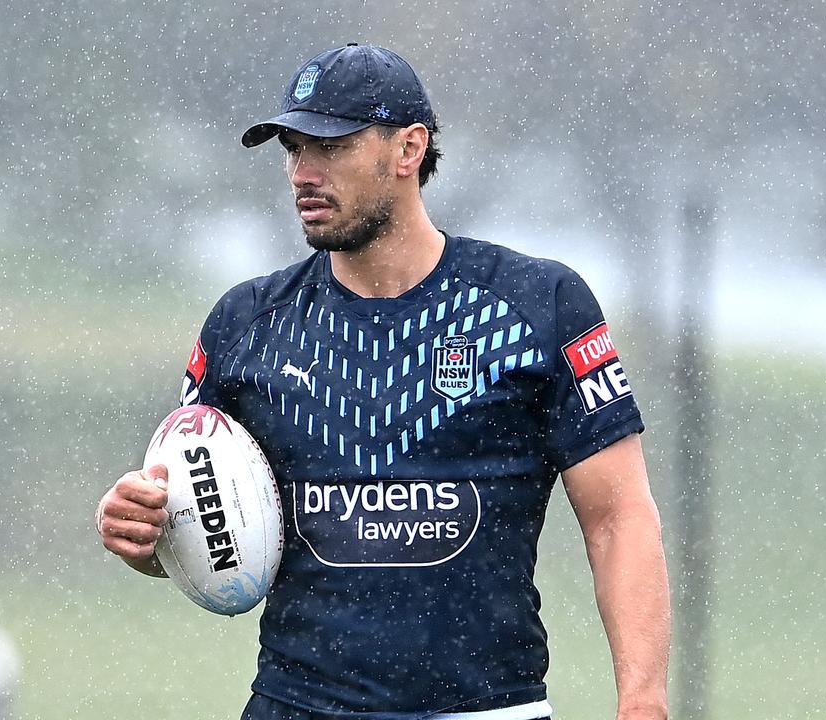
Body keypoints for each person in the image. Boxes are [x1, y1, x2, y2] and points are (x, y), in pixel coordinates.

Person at [96, 44, 670, 720]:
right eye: (292, 149)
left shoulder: (536, 304)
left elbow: (618, 518)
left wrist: (641, 701)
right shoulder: (244, 323)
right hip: (295, 705)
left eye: (330, 148)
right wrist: (143, 533)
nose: (302, 173)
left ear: (408, 150)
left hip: (485, 709)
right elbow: (200, 521)